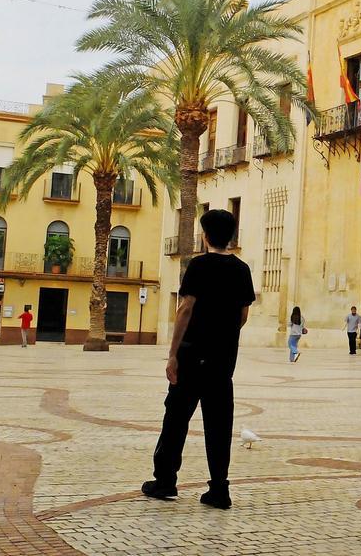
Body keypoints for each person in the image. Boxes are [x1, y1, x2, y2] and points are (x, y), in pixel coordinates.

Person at [142, 209, 255, 511]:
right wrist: (224, 336)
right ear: (231, 236)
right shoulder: (242, 270)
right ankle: (219, 489)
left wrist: (173, 354)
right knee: (219, 424)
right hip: (223, 362)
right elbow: (243, 315)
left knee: (176, 418)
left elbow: (185, 309)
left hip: (193, 356)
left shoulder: (198, 266)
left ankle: (165, 481)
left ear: (205, 236)